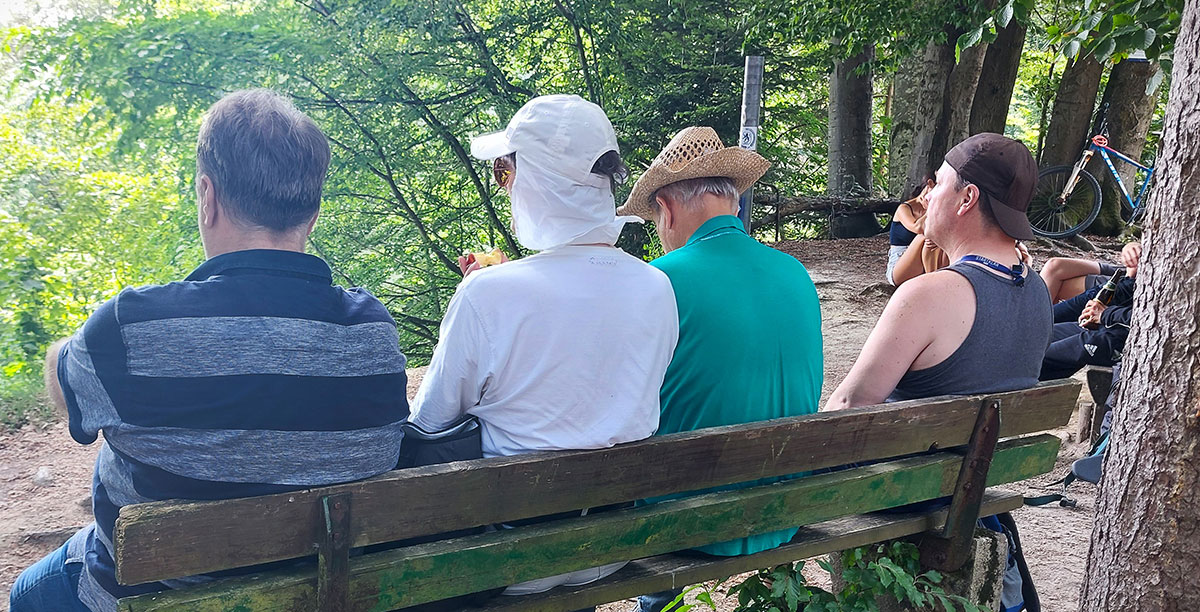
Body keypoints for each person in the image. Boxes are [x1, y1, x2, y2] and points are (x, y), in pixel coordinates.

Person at [8, 90, 410, 612]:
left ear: (207, 195)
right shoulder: (372, 330)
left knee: (28, 592)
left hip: (152, 599)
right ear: (312, 213)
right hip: (314, 595)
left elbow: (63, 394)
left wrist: (79, 347)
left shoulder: (129, 328)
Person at [409, 94, 678, 605]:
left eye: (506, 172)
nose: (504, 187)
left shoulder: (490, 294)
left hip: (511, 556)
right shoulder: (656, 287)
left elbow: (431, 423)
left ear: (535, 180)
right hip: (610, 545)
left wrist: (479, 303)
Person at [827, 133, 1051, 611]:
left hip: (907, 495)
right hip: (973, 490)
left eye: (940, 184)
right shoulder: (1037, 291)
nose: (927, 196)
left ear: (967, 198)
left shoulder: (930, 294)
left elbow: (847, 408)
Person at [614, 126, 824, 612]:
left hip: (689, 519)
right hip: (785, 507)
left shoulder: (661, 280)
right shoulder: (793, 271)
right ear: (730, 201)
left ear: (665, 209)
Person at [1039, 241, 1140, 380]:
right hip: (1109, 314)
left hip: (1117, 336)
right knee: (1033, 335)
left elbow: (1150, 320)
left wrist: (1105, 314)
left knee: (1034, 359)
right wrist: (1132, 258)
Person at [887, 177, 950, 286]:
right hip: (900, 263)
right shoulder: (904, 208)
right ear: (929, 185)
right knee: (925, 235)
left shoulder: (939, 209)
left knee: (939, 237)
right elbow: (918, 228)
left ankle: (937, 279)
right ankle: (933, 281)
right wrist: (930, 210)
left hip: (928, 260)